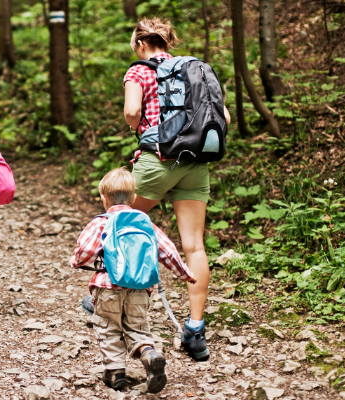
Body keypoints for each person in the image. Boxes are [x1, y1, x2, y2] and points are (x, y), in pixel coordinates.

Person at [122, 16, 231, 362]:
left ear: (141, 44)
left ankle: (107, 298)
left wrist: (137, 125)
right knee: (194, 246)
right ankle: (195, 332)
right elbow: (224, 118)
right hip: (195, 163)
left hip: (157, 160)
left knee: (120, 222)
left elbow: (132, 110)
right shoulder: (193, 69)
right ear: (168, 42)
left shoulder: (138, 71)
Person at [70, 168, 197, 393]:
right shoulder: (144, 222)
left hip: (107, 287)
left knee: (108, 327)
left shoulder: (102, 222)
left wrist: (76, 261)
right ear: (134, 197)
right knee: (137, 327)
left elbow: (86, 250)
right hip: (140, 289)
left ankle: (116, 373)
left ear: (103, 198)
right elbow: (168, 250)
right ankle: (148, 354)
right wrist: (185, 274)